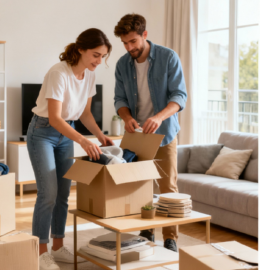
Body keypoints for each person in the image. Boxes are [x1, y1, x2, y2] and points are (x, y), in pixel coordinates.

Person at [29, 28, 113, 270]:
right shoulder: (59, 73)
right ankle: (40, 252)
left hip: (67, 133)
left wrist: (99, 136)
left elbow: (85, 113)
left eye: (102, 57)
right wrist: (82, 141)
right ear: (80, 49)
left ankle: (57, 246)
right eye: (96, 55)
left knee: (64, 194)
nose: (99, 61)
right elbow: (55, 118)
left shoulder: (88, 75)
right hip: (43, 132)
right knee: (48, 194)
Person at [113, 13, 188, 252]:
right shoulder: (122, 64)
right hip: (137, 136)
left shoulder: (168, 57)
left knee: (168, 187)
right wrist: (126, 117)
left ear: (145, 35)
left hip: (165, 132)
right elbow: (120, 98)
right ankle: (146, 230)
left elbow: (179, 96)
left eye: (133, 41)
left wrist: (158, 117)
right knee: (140, 185)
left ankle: (171, 237)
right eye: (124, 43)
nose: (129, 47)